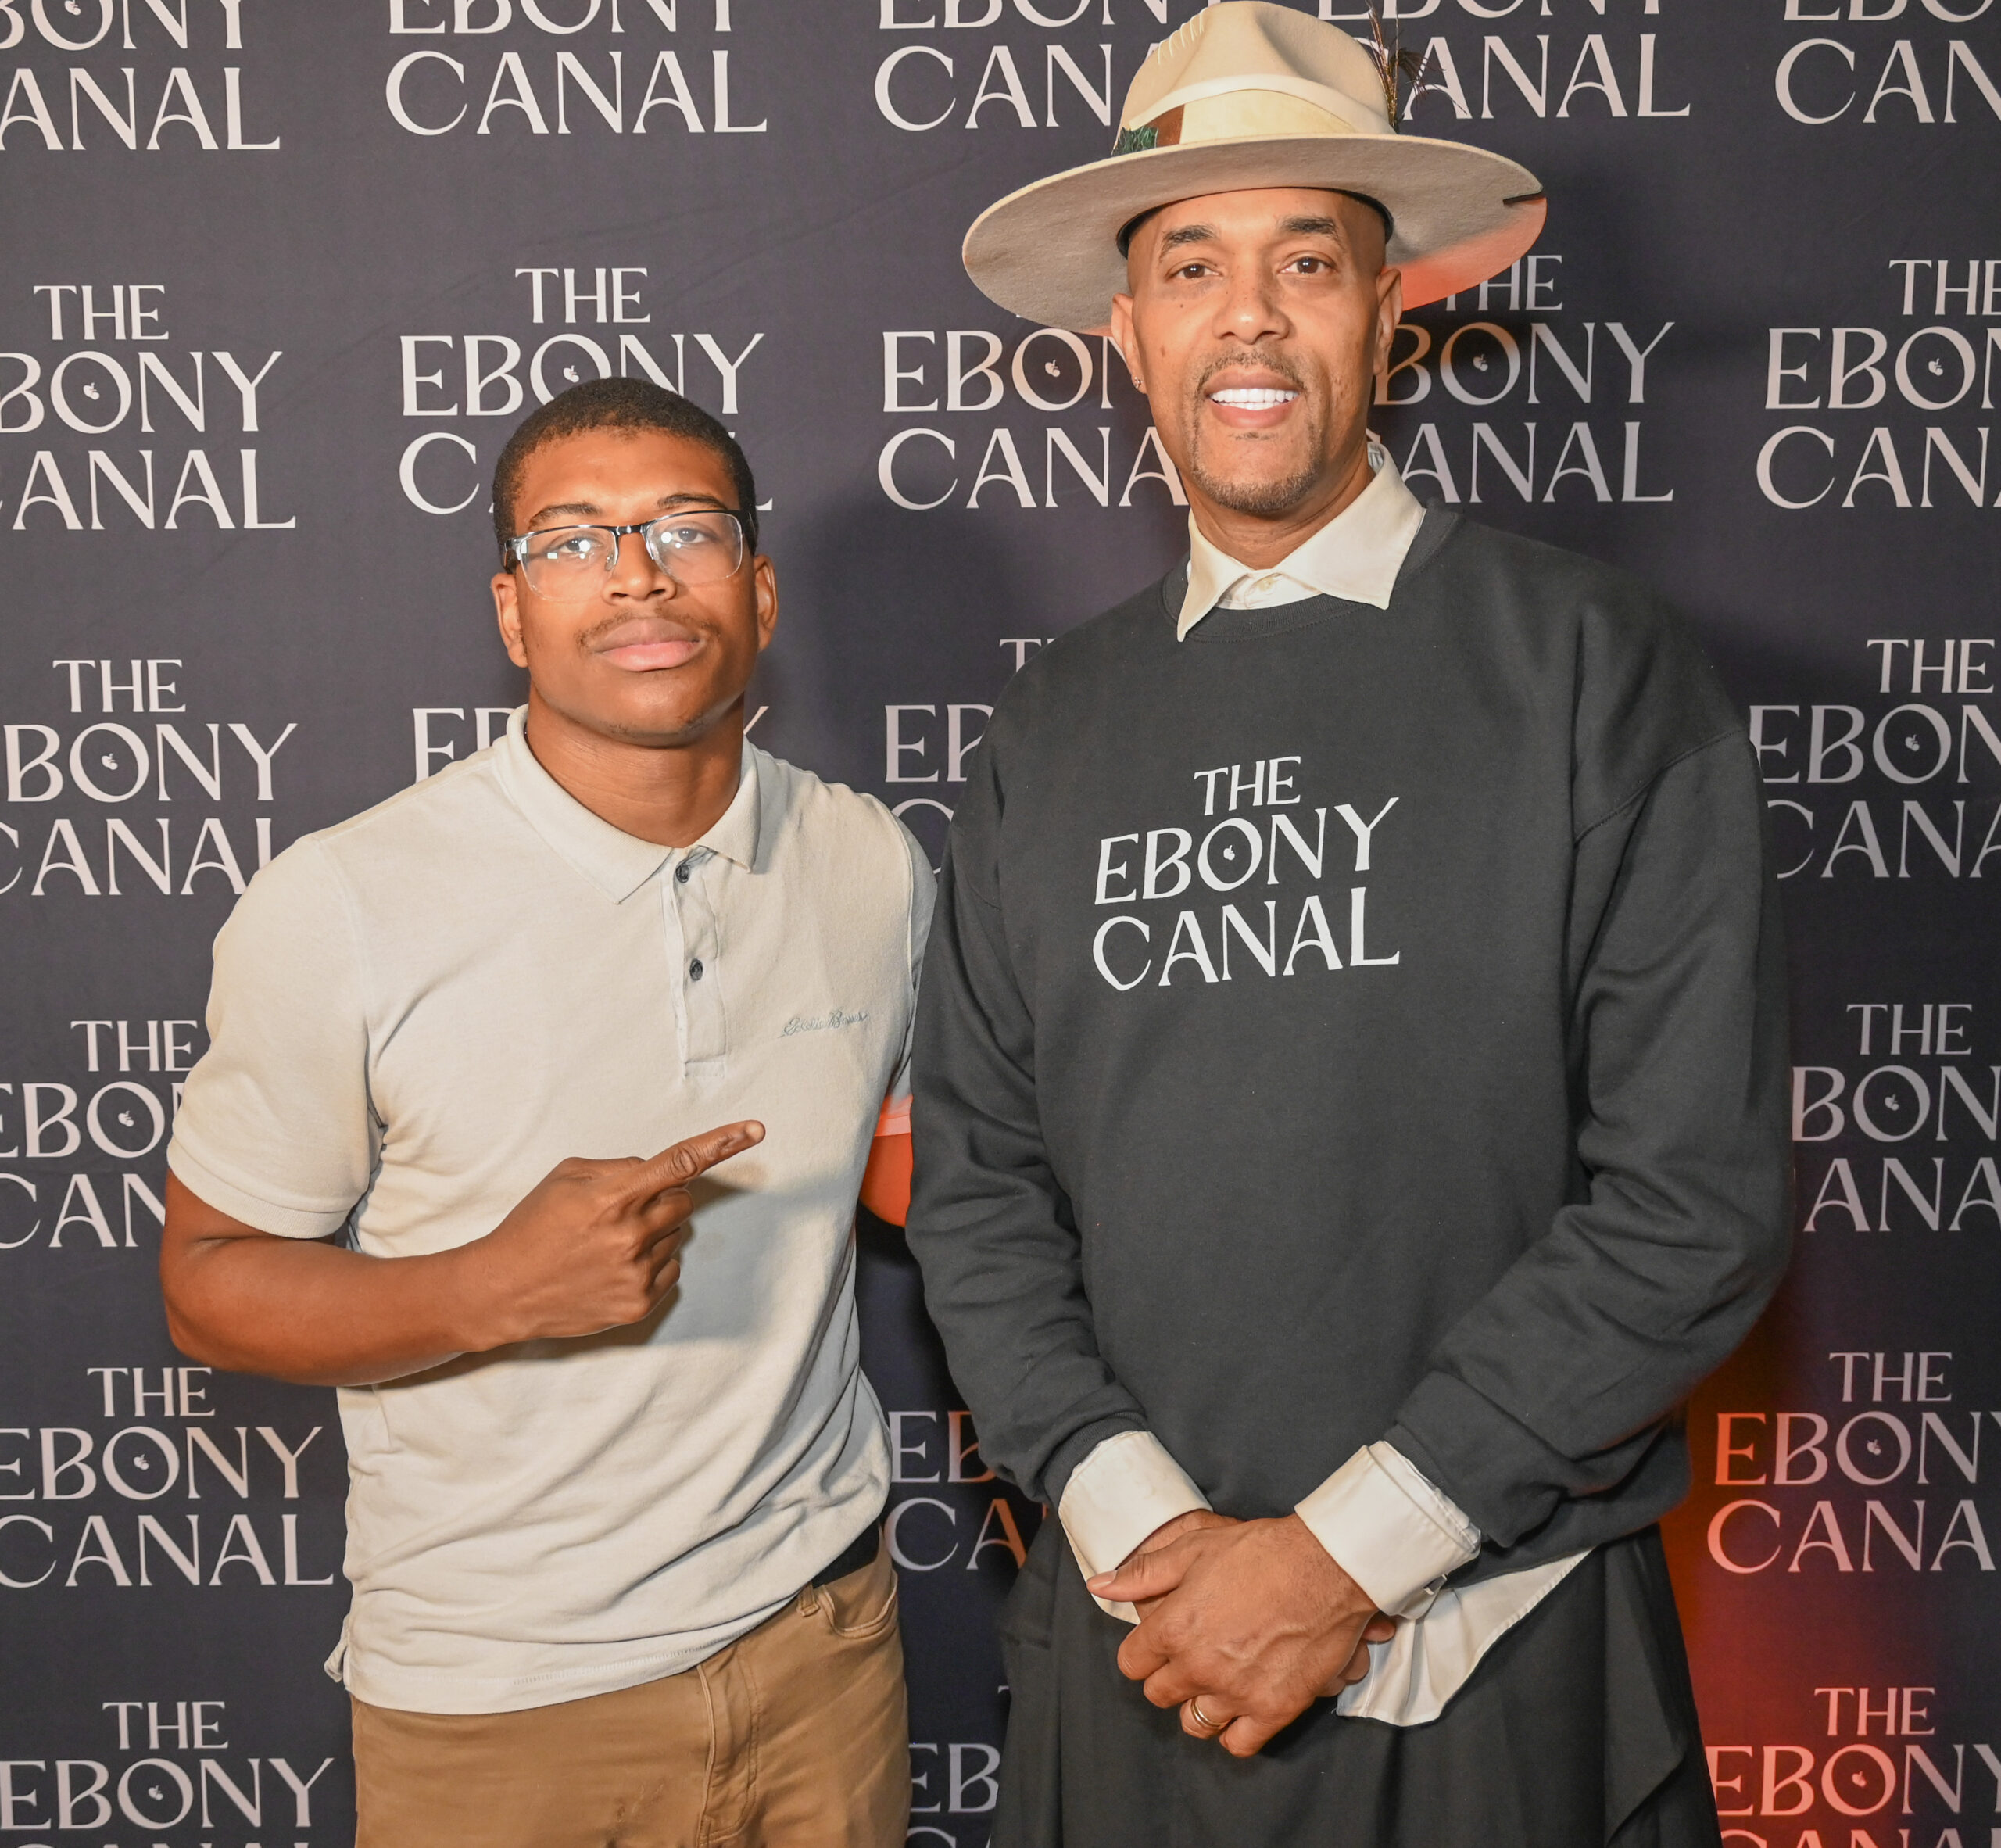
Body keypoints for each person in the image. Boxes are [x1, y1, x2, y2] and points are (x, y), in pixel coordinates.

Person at [904, 5, 1790, 1843]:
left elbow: (1686, 1202)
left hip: (1501, 1647)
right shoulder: (1045, 727)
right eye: (1189, 267)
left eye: (1305, 262)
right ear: (1125, 330)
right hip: (1138, 1650)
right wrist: (1151, 1534)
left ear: (1389, 311)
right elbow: (980, 1197)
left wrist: (1340, 1559)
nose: (1246, 317)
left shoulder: (1592, 668)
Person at [159, 377, 929, 1848]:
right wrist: (491, 1288)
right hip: (504, 1701)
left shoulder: (868, 862)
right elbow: (207, 1290)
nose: (636, 575)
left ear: (759, 589)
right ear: (513, 614)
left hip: (822, 1649)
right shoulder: (345, 903)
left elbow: (918, 1172)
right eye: (572, 541)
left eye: (686, 529)